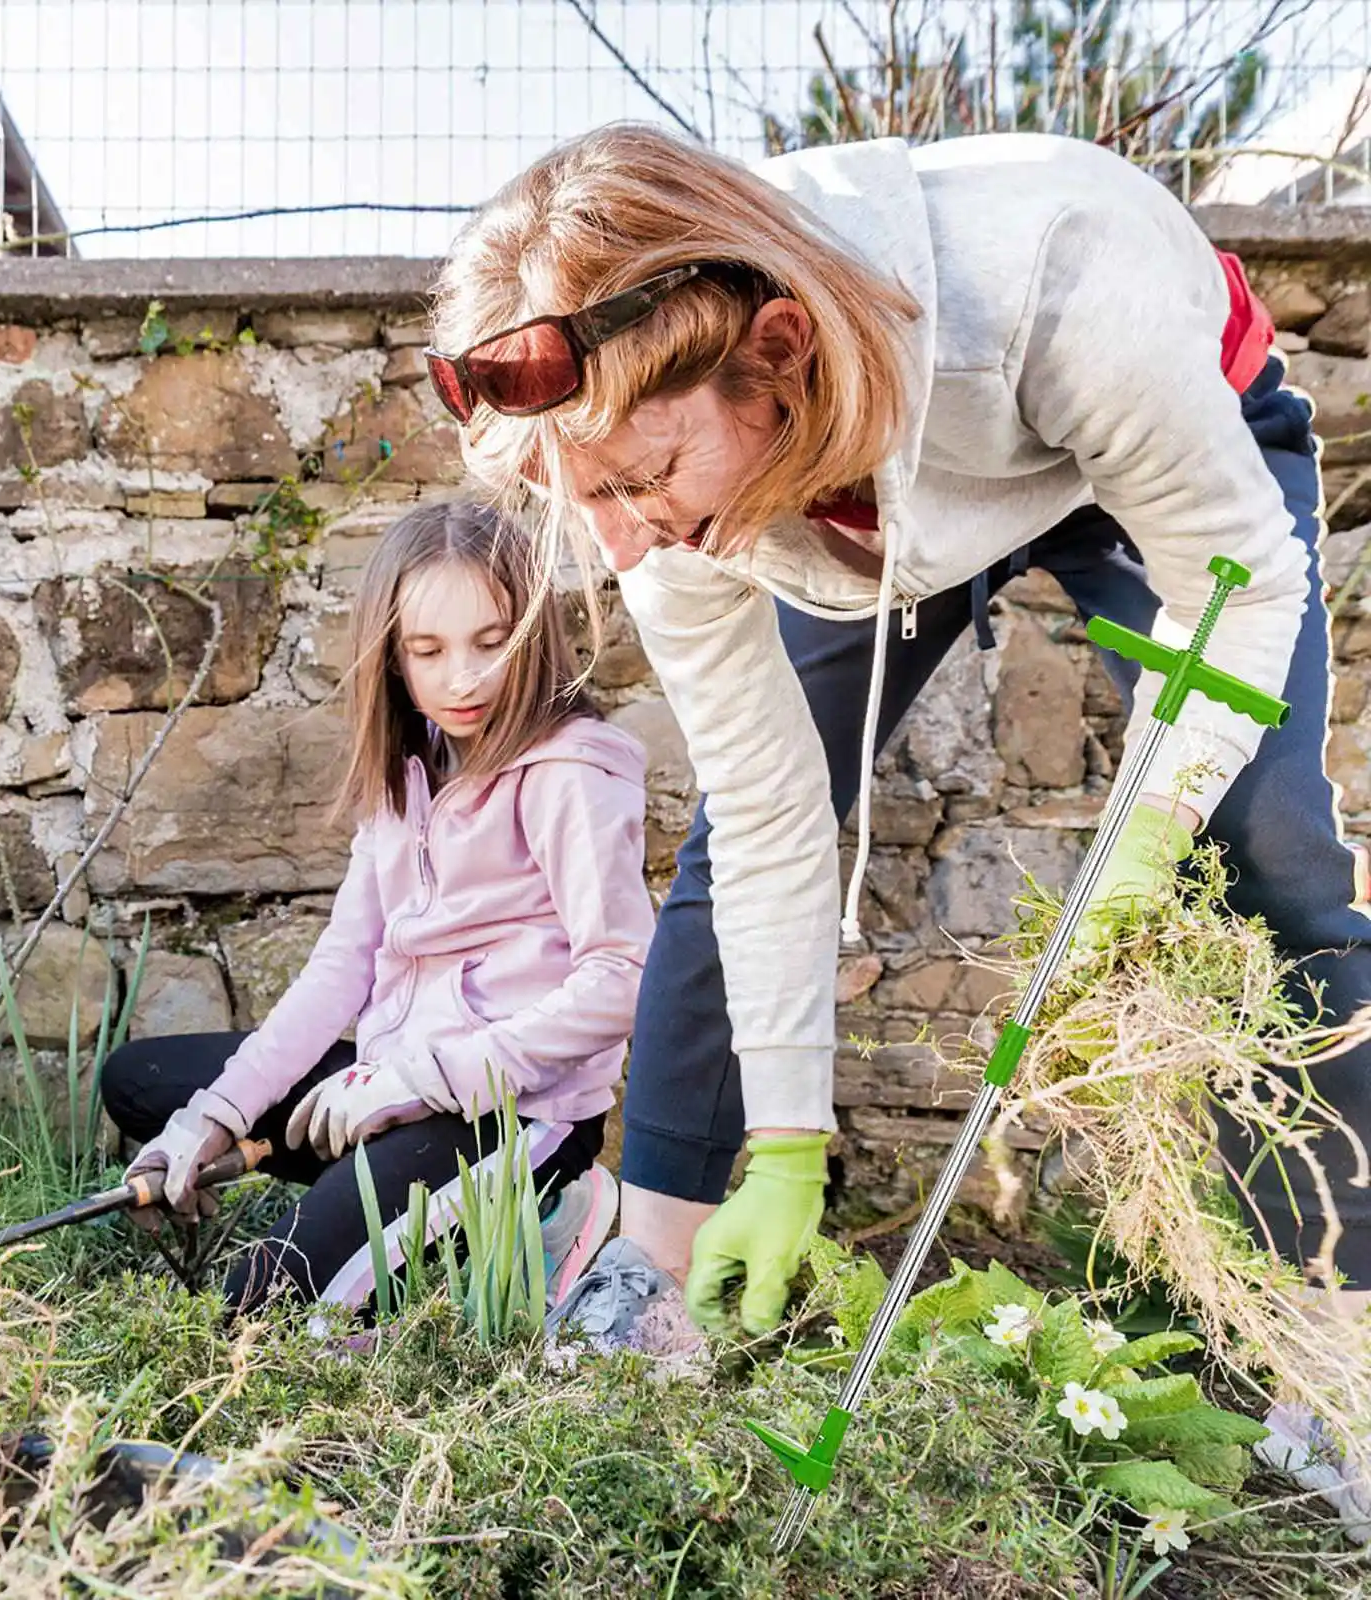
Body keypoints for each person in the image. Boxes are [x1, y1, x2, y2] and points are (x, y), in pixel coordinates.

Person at [422, 124, 1370, 1536]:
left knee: (1269, 854)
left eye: (635, 480)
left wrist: (1149, 834)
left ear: (778, 351)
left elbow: (1239, 590)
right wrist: (788, 1145)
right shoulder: (666, 482)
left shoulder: (1067, 282)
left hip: (1137, 437)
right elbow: (769, 813)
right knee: (740, 836)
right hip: (833, 496)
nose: (617, 546)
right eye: (583, 498)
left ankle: (1338, 1349)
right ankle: (651, 1270)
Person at [100, 498, 654, 1317]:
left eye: (492, 642)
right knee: (144, 1082)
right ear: (393, 656)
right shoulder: (410, 768)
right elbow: (340, 969)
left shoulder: (569, 772)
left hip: (516, 1110)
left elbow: (623, 976)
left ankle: (546, 1214)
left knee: (256, 1307)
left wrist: (418, 1080)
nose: (463, 677)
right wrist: (212, 1120)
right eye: (427, 650)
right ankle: (393, 1192)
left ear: (533, 634)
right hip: (395, 1078)